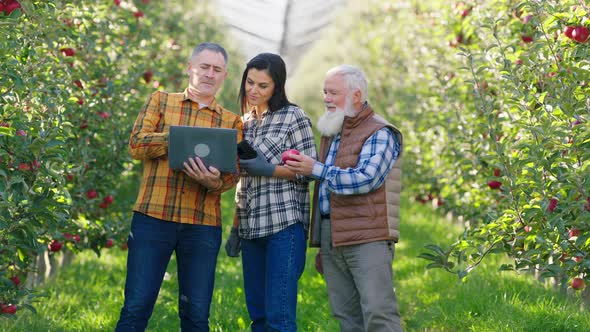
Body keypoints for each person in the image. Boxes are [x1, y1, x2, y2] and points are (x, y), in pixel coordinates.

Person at [116, 42, 243, 331]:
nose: (209, 74)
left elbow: (234, 172)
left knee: (196, 313)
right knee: (136, 306)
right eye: (204, 66)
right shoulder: (161, 101)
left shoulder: (231, 121)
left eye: (217, 69)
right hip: (153, 217)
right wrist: (175, 141)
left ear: (224, 75)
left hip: (201, 224)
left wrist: (214, 182)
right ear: (190, 67)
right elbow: (136, 144)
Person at [285, 64, 404, 332]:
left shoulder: (380, 132)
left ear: (356, 95)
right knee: (346, 316)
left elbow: (367, 178)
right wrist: (323, 242)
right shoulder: (333, 131)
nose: (326, 98)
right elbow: (326, 190)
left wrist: (315, 169)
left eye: (333, 93)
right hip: (333, 235)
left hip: (367, 236)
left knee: (378, 312)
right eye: (325, 91)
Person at [232, 53, 317, 332]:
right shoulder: (243, 123)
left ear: (277, 86)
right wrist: (235, 228)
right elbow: (241, 182)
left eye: (263, 85)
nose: (253, 90)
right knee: (258, 316)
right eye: (250, 82)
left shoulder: (294, 117)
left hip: (283, 226)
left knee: (279, 317)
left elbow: (309, 171)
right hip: (250, 227)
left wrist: (269, 169)